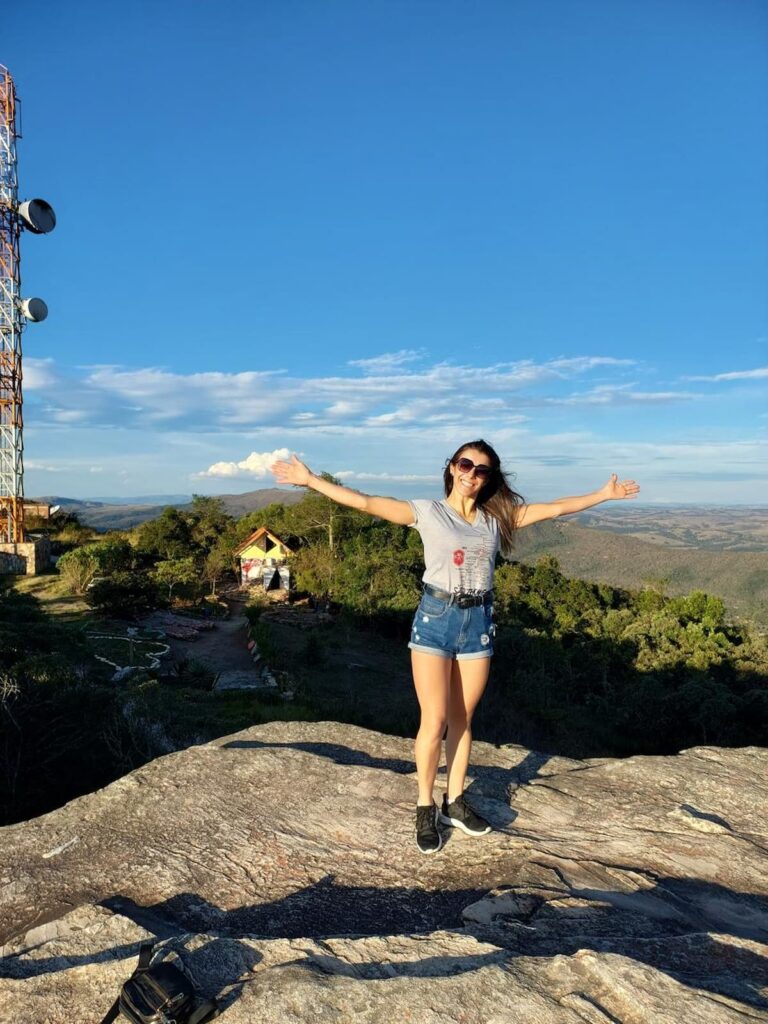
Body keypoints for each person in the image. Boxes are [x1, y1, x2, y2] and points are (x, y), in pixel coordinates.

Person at [272, 441, 639, 854]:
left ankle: (455, 801)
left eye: (482, 470)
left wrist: (602, 495)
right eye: (465, 464)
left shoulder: (496, 519)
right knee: (435, 719)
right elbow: (366, 502)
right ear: (451, 467)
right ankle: (425, 806)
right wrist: (309, 481)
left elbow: (555, 508)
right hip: (436, 619)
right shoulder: (428, 512)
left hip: (478, 621)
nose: (471, 474)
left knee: (463, 719)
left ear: (489, 478)